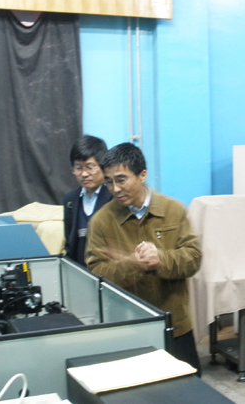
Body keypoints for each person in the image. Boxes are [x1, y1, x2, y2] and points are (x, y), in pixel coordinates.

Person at [85, 142, 202, 373]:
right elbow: (95, 275)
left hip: (174, 325)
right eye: (109, 182)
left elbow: (193, 259)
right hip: (127, 328)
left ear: (142, 175)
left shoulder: (173, 210)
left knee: (188, 387)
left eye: (121, 179)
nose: (115, 189)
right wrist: (131, 264)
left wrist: (161, 259)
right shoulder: (101, 221)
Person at [63, 135, 112, 266]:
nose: (84, 174)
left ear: (103, 166)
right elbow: (69, 243)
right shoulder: (70, 200)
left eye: (90, 167)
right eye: (78, 168)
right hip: (78, 271)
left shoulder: (114, 197)